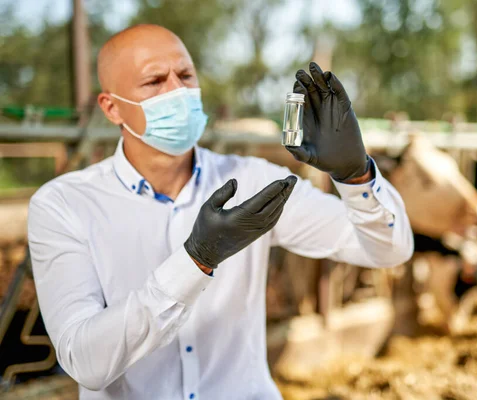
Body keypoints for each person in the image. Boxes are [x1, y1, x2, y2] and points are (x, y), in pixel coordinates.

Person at [27, 24, 413, 400]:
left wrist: (356, 175)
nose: (177, 91)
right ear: (111, 108)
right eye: (155, 82)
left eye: (185, 75)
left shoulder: (253, 180)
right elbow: (84, 362)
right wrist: (195, 261)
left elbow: (388, 251)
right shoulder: (64, 205)